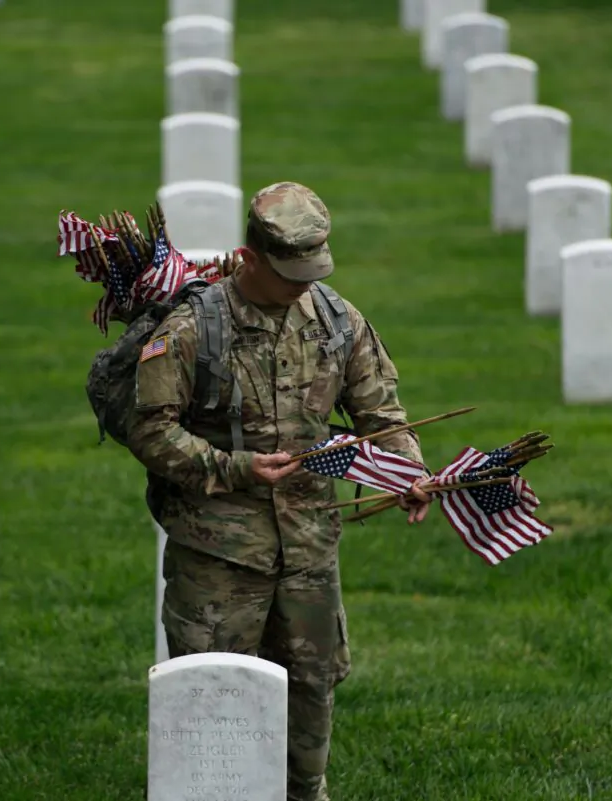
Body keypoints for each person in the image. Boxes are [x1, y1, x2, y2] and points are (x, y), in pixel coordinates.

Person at [128, 181, 432, 801]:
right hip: (220, 554)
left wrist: (410, 472)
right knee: (211, 697)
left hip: (308, 547)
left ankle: (304, 792)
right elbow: (149, 431)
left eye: (311, 272)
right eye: (290, 274)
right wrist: (235, 467)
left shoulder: (337, 321)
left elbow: (383, 414)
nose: (302, 287)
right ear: (250, 259)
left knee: (312, 683)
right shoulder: (193, 329)